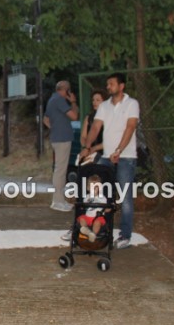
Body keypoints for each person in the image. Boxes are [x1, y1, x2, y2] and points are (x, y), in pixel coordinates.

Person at [82, 73, 139, 250]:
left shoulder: (132, 104)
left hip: (126, 157)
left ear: (121, 86)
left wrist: (119, 150)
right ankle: (92, 226)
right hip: (106, 157)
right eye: (107, 84)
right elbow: (95, 127)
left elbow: (130, 127)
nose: (108, 87)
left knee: (125, 198)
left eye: (111, 84)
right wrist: (87, 146)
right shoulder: (104, 106)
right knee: (96, 191)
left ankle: (125, 236)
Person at [44, 80, 79, 211]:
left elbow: (46, 119)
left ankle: (59, 199)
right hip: (62, 139)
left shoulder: (52, 99)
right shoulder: (59, 100)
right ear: (66, 90)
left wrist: (54, 129)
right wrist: (73, 102)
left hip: (57, 138)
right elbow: (74, 116)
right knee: (60, 171)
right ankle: (57, 201)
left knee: (60, 170)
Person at [76, 175, 108, 243]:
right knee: (82, 218)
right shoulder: (87, 197)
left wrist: (107, 209)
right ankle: (87, 231)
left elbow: (106, 208)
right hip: (88, 216)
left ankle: (93, 234)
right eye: (92, 187)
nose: (94, 189)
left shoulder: (102, 198)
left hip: (98, 217)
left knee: (97, 222)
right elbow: (84, 205)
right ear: (88, 188)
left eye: (96, 187)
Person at [79, 89, 107, 162]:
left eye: (98, 100)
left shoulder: (108, 117)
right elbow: (83, 136)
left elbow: (109, 140)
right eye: (93, 100)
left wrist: (93, 148)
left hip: (104, 153)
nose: (94, 102)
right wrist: (86, 148)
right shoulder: (89, 117)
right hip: (89, 152)